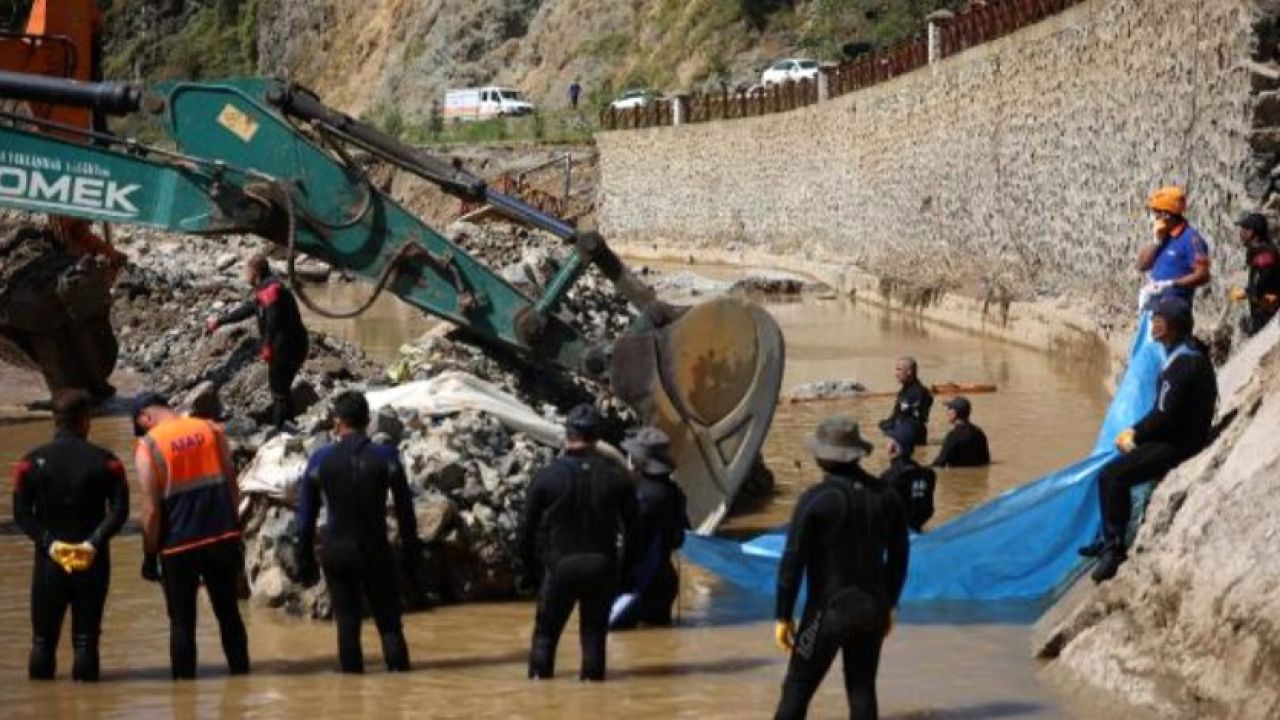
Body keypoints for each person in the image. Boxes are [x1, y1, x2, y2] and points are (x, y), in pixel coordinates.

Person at [774, 416, 910, 720]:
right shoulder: (888, 497)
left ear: (824, 456)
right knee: (862, 689)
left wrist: (783, 615)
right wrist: (890, 604)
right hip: (873, 609)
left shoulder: (816, 499)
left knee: (797, 688)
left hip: (827, 611)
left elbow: (792, 562)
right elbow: (900, 557)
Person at [1080, 297, 1217, 583]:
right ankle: (1107, 537)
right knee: (1114, 469)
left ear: (1174, 327)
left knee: (1112, 476)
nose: (1152, 325)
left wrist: (1136, 434)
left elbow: (1163, 416)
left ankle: (1114, 549)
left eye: (1159, 321)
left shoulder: (1181, 365)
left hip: (1179, 443)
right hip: (1184, 433)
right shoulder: (1190, 353)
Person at [294, 390, 418, 674]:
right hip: (375, 550)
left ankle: (352, 689)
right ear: (367, 421)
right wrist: (411, 556)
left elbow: (305, 518)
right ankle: (401, 685)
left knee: (348, 626)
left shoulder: (319, 460)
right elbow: (405, 512)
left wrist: (305, 559)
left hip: (337, 552)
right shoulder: (387, 457)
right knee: (389, 624)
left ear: (338, 422)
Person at [13, 390, 129, 682]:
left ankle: (41, 702)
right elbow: (120, 511)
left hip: (50, 562)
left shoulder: (30, 463)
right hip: (92, 560)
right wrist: (93, 542)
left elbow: (22, 514)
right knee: (85, 641)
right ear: (85, 419)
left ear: (55, 419)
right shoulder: (108, 462)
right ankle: (89, 702)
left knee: (43, 641)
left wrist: (50, 544)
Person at [132, 392, 249, 679]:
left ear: (146, 417)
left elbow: (150, 510)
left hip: (177, 546)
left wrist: (149, 553)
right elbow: (232, 486)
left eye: (140, 426)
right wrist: (235, 530)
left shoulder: (149, 445)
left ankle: (184, 693)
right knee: (229, 614)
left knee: (182, 623)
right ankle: (242, 680)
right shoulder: (211, 429)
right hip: (221, 535)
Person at [519, 404, 637, 681]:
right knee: (594, 637)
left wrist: (531, 571)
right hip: (602, 567)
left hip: (561, 566)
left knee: (545, 636)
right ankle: (593, 695)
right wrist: (625, 571)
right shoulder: (617, 479)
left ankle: (538, 694)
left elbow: (525, 531)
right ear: (597, 437)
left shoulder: (547, 477)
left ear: (567, 434)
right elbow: (635, 530)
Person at [205, 254, 309, 428]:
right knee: (281, 388)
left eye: (246, 270)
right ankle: (290, 426)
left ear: (255, 271)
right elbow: (248, 309)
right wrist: (220, 321)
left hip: (288, 345)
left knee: (278, 390)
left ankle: (281, 429)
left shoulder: (271, 289)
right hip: (289, 343)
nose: (244, 274)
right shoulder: (265, 287)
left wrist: (267, 345)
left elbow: (273, 320)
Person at [611, 426, 689, 630]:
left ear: (639, 460)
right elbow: (678, 539)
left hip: (639, 584)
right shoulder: (675, 493)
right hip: (663, 581)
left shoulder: (642, 496)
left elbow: (631, 545)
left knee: (624, 641)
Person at [1136, 186, 1210, 311]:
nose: (1153, 217)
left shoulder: (1191, 240)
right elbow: (1141, 265)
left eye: (1155, 213)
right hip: (1154, 304)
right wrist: (1156, 242)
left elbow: (1203, 275)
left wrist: (1171, 284)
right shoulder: (1162, 236)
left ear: (1166, 215)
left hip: (1175, 308)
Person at [879, 424, 936, 533]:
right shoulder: (928, 474)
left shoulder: (889, 477)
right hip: (918, 528)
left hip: (896, 534)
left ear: (893, 447)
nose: (886, 444)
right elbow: (928, 510)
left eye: (889, 441)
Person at [1229, 212, 1280, 336]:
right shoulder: (1259, 252)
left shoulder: (1265, 256)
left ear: (1251, 232)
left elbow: (1260, 286)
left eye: (1243, 229)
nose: (1240, 233)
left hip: (1270, 314)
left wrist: (1245, 292)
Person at [877, 356, 932, 445]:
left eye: (899, 370)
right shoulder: (903, 392)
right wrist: (885, 424)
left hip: (911, 436)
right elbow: (896, 415)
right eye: (896, 370)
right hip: (902, 433)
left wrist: (891, 426)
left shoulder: (920, 392)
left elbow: (912, 418)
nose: (896, 374)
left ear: (909, 372)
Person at [931, 396, 990, 468]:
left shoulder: (953, 436)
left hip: (955, 473)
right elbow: (986, 461)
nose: (947, 412)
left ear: (954, 413)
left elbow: (939, 463)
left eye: (949, 409)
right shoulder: (979, 433)